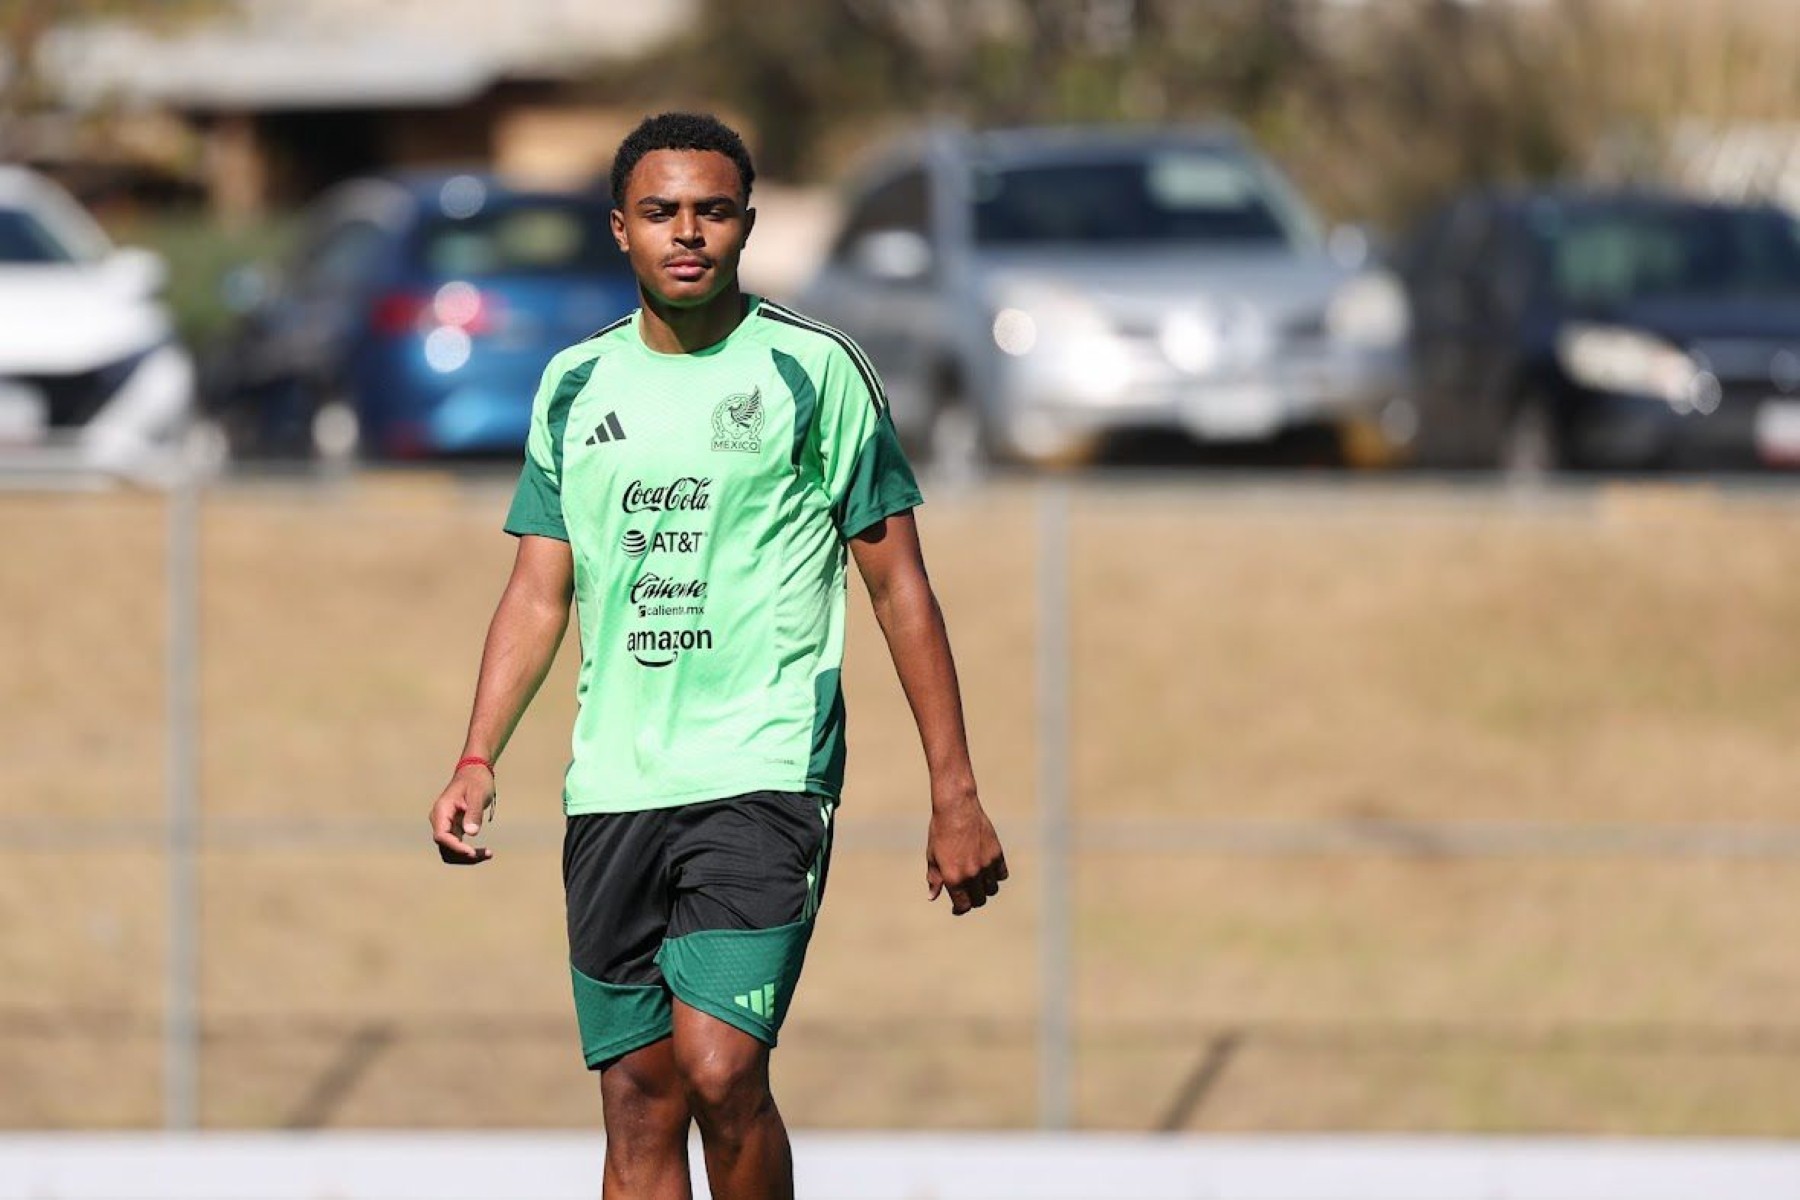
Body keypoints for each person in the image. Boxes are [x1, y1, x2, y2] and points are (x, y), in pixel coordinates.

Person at [428, 111, 1007, 1200]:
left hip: (764, 768)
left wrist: (955, 792)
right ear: (620, 230)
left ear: (747, 223)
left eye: (712, 210)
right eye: (660, 213)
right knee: (639, 1097)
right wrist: (475, 756)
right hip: (614, 783)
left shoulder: (815, 371)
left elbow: (899, 586)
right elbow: (538, 592)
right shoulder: (572, 387)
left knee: (720, 1066)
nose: (686, 233)